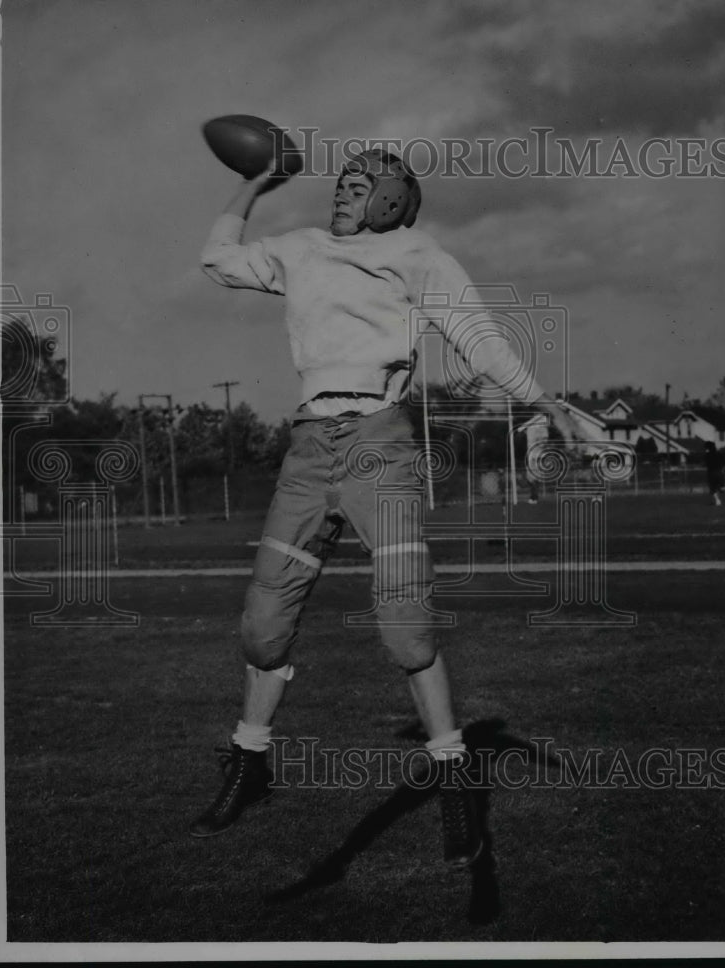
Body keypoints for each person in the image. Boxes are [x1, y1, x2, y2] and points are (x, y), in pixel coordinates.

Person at [191, 148, 585, 867]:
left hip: (381, 444)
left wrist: (539, 397)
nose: (341, 195)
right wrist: (253, 182)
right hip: (311, 447)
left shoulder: (416, 253)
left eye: (357, 186)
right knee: (263, 626)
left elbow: (477, 334)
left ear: (393, 200)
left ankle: (454, 770)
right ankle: (250, 760)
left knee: (406, 627)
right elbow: (218, 259)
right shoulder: (303, 249)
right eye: (338, 185)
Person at [704, 441, 725, 506]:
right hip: (719, 472)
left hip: (711, 473)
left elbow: (706, 464)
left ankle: (717, 501)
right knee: (721, 488)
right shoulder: (719, 453)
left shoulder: (707, 455)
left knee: (712, 488)